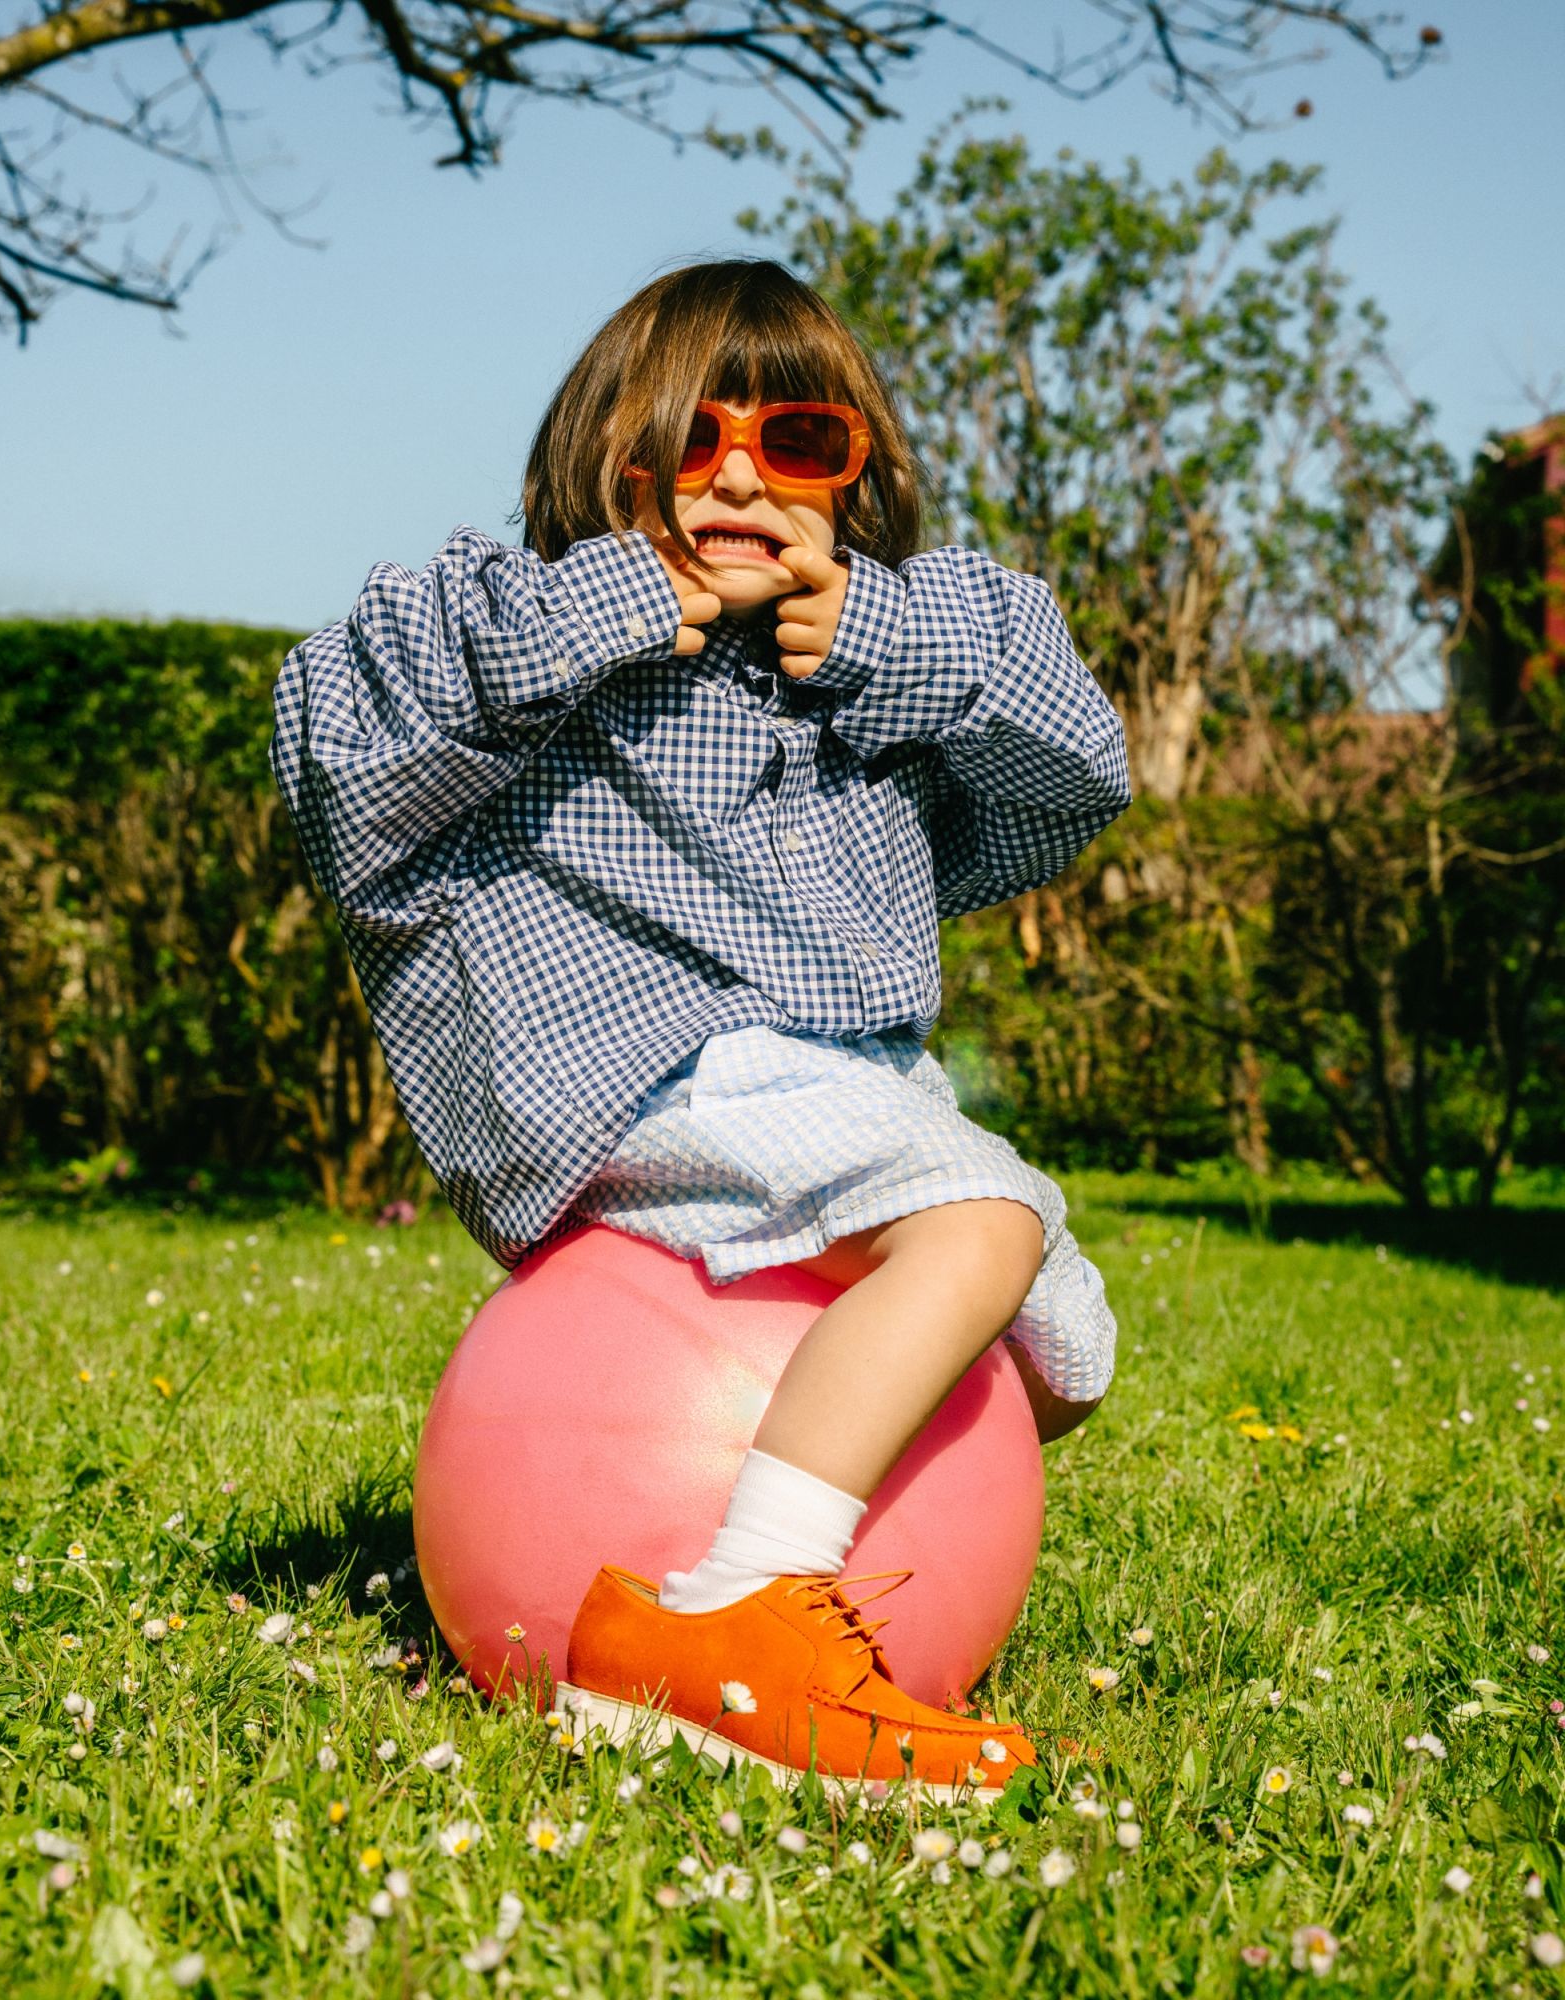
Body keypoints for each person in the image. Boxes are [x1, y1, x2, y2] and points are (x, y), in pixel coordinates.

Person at [270, 258, 1131, 1798]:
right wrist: (613, 602)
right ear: (607, 456)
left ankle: (808, 1565)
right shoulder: (531, 648)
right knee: (980, 1230)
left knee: (1062, 1349)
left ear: (854, 479)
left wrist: (877, 634)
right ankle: (737, 1614)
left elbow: (1078, 767)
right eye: (689, 438)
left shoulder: (876, 671)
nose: (738, 474)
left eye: (797, 442)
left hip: (852, 1088)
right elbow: (338, 746)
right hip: (639, 1076)